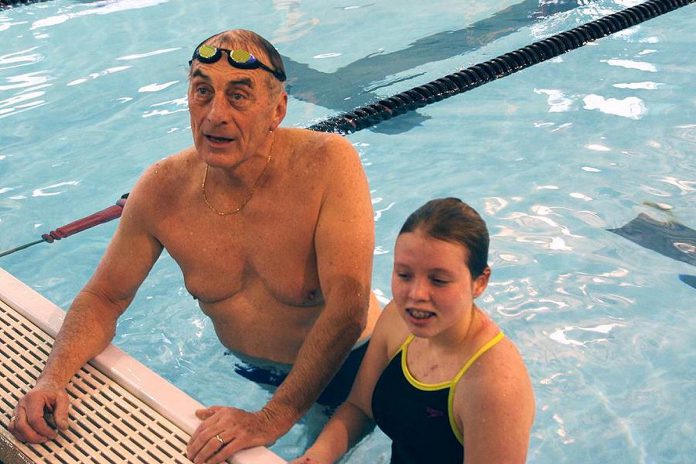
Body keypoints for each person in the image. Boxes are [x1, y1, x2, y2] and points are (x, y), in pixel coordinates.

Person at [8, 29, 382, 464]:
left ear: (277, 109)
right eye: (203, 91)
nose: (214, 115)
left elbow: (347, 308)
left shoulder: (326, 163)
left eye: (239, 96)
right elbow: (103, 298)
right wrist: (52, 380)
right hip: (249, 371)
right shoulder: (162, 190)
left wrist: (270, 418)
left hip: (357, 370)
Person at [292, 198, 535, 464]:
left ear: (480, 283)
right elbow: (359, 408)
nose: (416, 294)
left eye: (438, 280)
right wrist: (315, 457)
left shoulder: (494, 386)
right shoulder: (396, 321)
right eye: (404, 275)